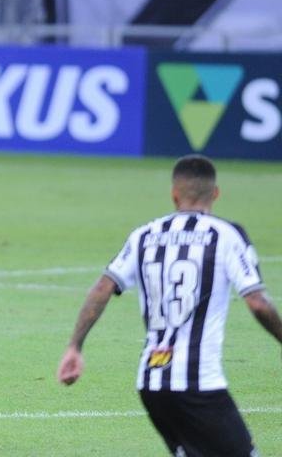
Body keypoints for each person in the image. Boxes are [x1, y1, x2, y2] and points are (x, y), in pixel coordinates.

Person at [57, 154, 282, 456]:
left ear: (174, 194)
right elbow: (257, 303)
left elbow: (103, 286)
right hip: (199, 383)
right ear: (215, 193)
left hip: (151, 382)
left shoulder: (144, 235)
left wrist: (75, 346)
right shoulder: (226, 235)